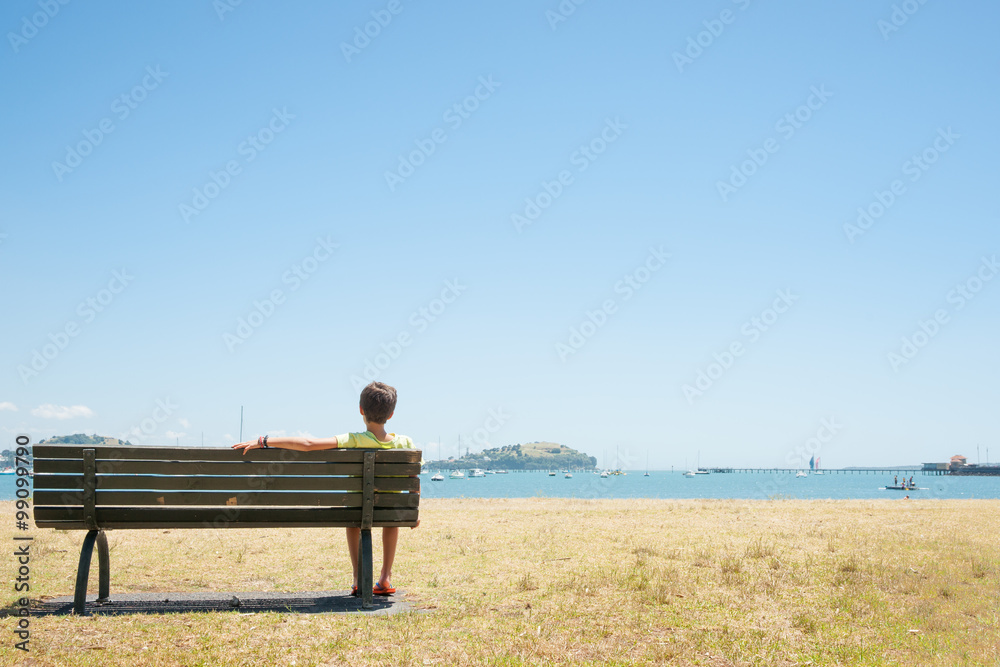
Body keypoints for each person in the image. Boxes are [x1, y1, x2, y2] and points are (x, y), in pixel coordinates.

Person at [232, 381, 416, 597]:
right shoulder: (405, 443)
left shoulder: (353, 440)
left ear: (361, 410)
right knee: (390, 517)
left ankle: (358, 578)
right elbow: (413, 480)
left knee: (354, 518)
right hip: (391, 512)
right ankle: (385, 577)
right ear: (391, 414)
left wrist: (264, 441)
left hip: (356, 510)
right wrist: (413, 510)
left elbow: (308, 444)